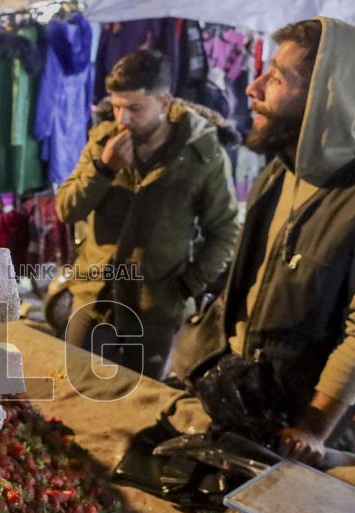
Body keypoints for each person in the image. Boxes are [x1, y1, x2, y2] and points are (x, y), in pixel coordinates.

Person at [172, 18, 355, 462]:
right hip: (236, 394)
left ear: (327, 95)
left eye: (277, 78)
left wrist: (312, 429)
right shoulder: (279, 171)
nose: (253, 88)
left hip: (292, 422)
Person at [56, 50, 240, 379]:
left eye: (135, 108)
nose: (122, 119)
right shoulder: (103, 142)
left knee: (140, 408)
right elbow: (67, 208)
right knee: (77, 396)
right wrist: (103, 169)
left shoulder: (201, 154)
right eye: (116, 106)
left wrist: (187, 285)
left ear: (165, 103)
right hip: (95, 297)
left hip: (155, 307)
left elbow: (224, 229)